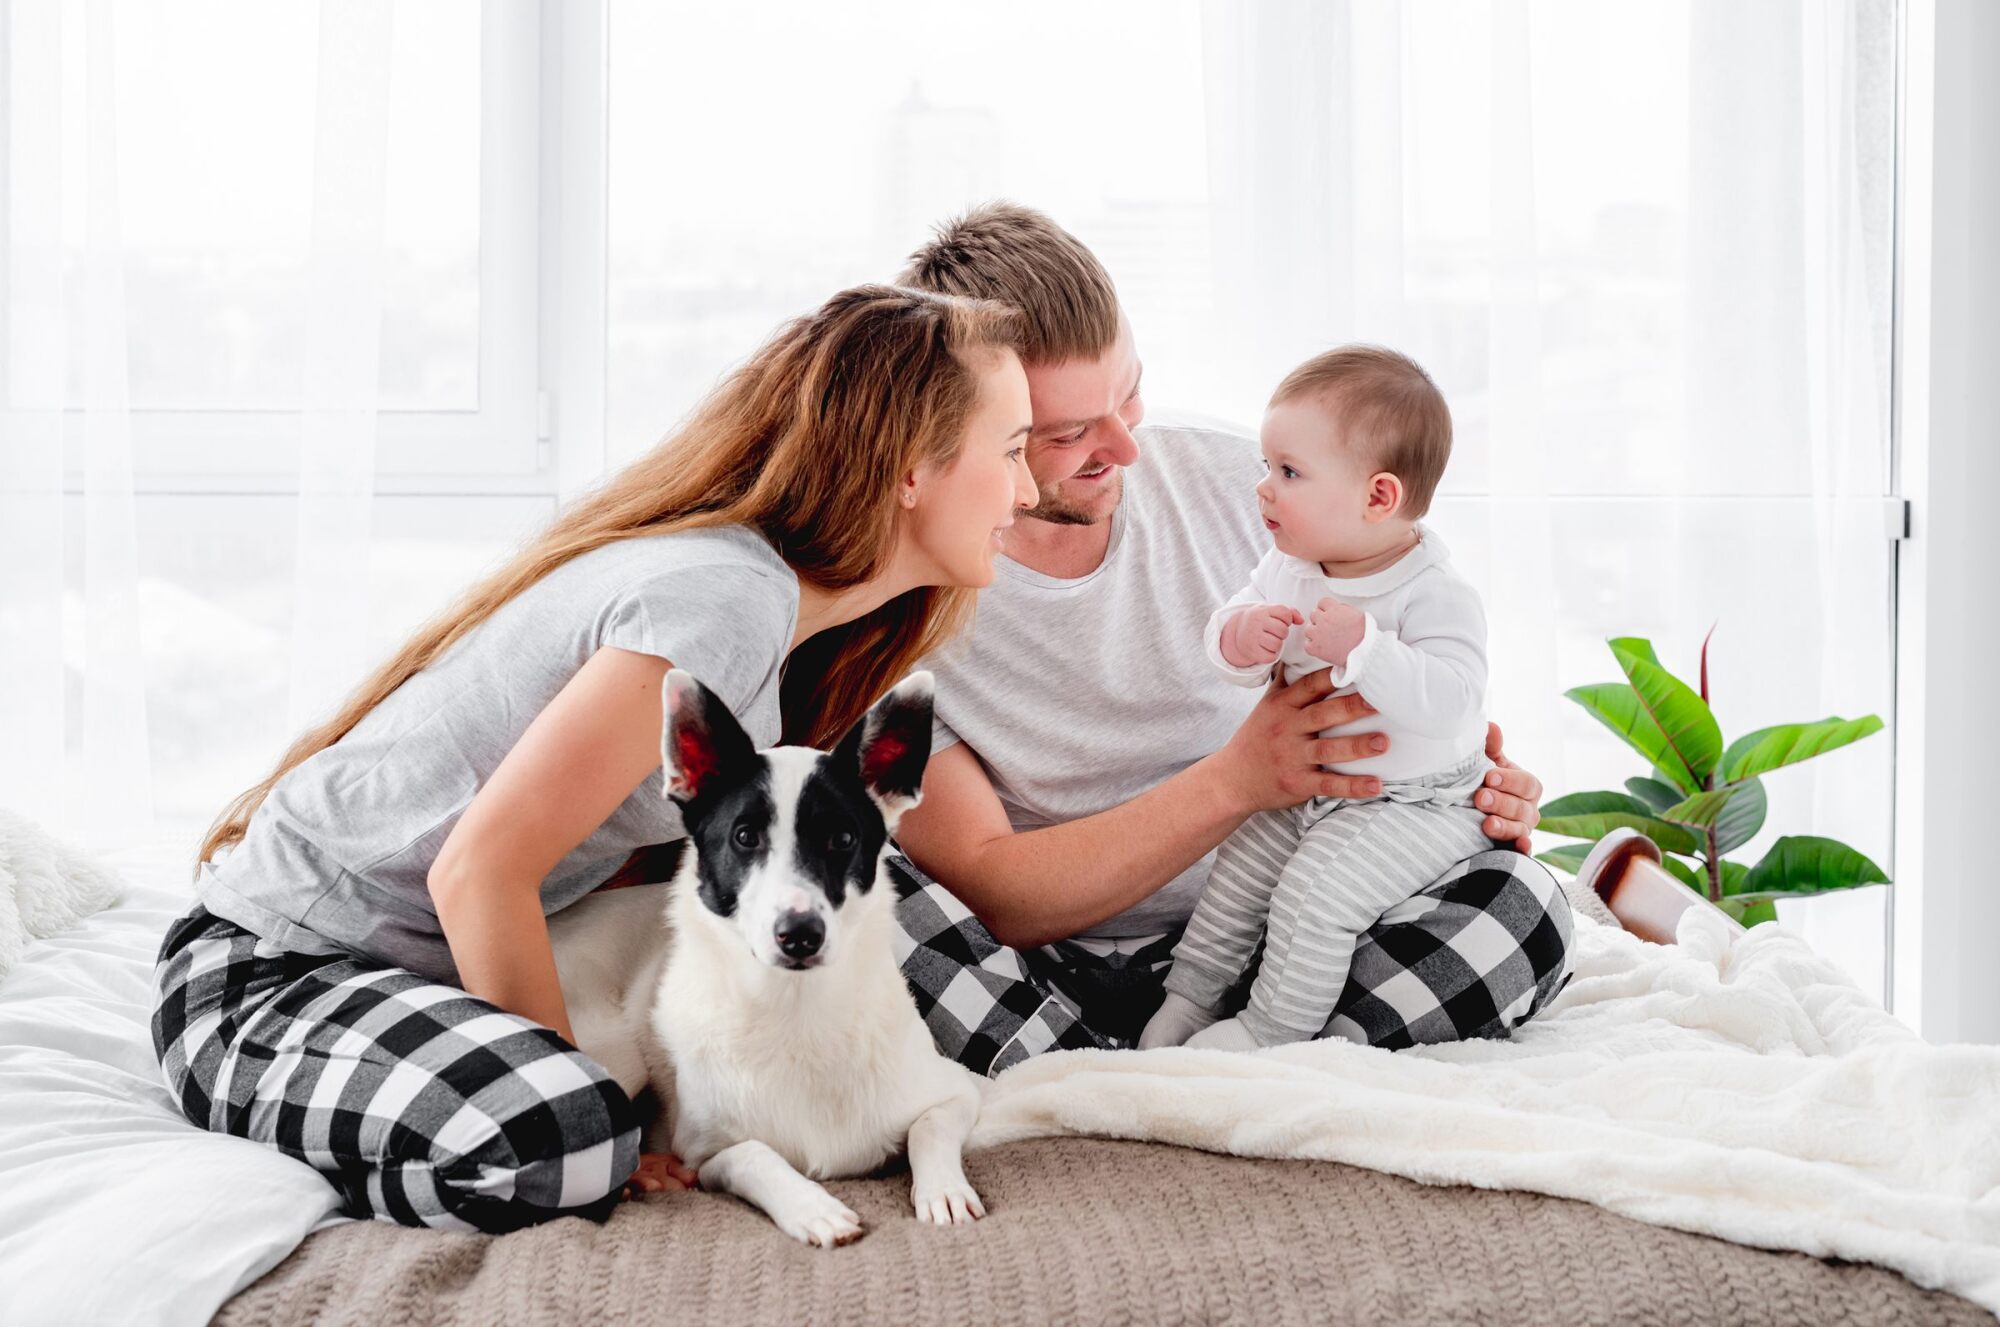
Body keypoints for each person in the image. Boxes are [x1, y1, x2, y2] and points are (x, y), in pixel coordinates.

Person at [149, 285, 1038, 1232]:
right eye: (1014, 450)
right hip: (268, 981)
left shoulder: (764, 611)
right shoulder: (723, 602)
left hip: (409, 976)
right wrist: (609, 1116)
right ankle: (407, 1156)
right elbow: (479, 869)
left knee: (860, 878)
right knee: (570, 1139)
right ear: (913, 468)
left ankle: (1087, 1053)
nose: (1027, 492)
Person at [886, 204, 1573, 1076]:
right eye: (1067, 434)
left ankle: (1195, 1068)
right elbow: (994, 891)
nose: (1126, 447)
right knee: (863, 895)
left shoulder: (1249, 486)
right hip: (1043, 967)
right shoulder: (900, 597)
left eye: (1129, 391)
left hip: (1287, 942)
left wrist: (1469, 789)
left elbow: (1414, 677)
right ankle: (1186, 1073)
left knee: (1528, 906)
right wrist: (1241, 778)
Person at [1141, 345, 1502, 1054]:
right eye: (1266, 468)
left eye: (1289, 473)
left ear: (1378, 498)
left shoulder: (1436, 591)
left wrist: (1367, 648)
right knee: (1238, 869)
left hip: (1415, 803)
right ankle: (1188, 997)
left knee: (1317, 892)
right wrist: (1241, 638)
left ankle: (1272, 1030)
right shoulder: (1291, 564)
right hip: (1311, 788)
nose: (1263, 489)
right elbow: (1232, 643)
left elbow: (1455, 703)